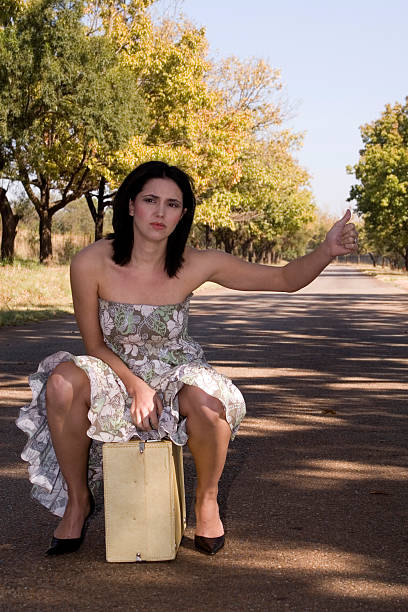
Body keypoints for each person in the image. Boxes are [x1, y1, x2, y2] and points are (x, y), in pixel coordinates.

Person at [16, 161, 358, 557]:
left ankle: (207, 501)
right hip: (112, 368)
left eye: (173, 204)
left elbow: (283, 279)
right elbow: (94, 346)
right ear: (130, 205)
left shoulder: (197, 262)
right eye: (150, 200)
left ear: (183, 214)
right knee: (61, 381)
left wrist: (327, 250)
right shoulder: (90, 262)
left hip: (175, 368)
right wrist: (136, 385)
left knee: (211, 399)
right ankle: (78, 502)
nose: (160, 213)